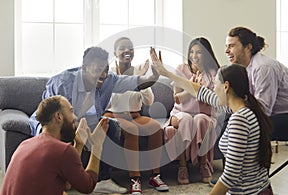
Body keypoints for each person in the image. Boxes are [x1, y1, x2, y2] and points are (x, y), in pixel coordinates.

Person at [29, 46, 160, 194]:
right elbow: (49, 116)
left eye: (106, 69)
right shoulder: (62, 83)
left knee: (111, 126)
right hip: (54, 122)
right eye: (98, 70)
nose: (103, 75)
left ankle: (102, 180)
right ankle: (58, 182)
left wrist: (154, 75)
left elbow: (140, 82)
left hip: (85, 121)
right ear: (84, 68)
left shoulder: (109, 80)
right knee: (58, 134)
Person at [149, 50, 274, 194]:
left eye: (215, 85)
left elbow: (230, 177)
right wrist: (166, 72)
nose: (213, 88)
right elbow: (199, 91)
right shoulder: (242, 108)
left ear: (225, 87)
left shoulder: (240, 119)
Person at [1, 95, 109, 195]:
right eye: (71, 111)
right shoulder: (63, 150)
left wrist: (79, 145)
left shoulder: (25, 144)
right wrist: (97, 146)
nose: (75, 117)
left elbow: (67, 184)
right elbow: (88, 186)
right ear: (58, 116)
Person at [103, 37, 169, 195]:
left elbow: (149, 100)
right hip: (114, 115)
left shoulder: (140, 71)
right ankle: (135, 179)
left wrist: (141, 83)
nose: (127, 51)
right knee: (132, 130)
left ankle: (155, 176)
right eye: (122, 48)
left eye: (130, 48)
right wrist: (130, 82)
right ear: (115, 53)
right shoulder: (109, 73)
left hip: (135, 114)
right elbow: (105, 101)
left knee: (155, 128)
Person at [225, 26, 288, 141]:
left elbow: (263, 110)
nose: (227, 51)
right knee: (228, 120)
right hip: (276, 114)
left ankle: (256, 159)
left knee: (249, 126)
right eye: (226, 46)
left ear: (248, 47)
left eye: (232, 46)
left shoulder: (263, 68)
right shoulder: (243, 69)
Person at [163, 37, 219, 184]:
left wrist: (200, 90)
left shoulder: (213, 72)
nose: (194, 55)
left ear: (206, 54)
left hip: (205, 114)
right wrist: (192, 88)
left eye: (199, 52)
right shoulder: (182, 69)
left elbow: (215, 100)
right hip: (181, 112)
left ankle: (203, 164)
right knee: (186, 120)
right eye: (192, 52)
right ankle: (182, 167)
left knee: (201, 120)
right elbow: (177, 98)